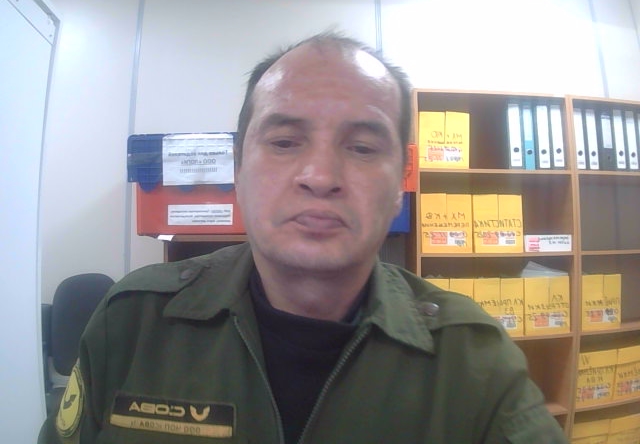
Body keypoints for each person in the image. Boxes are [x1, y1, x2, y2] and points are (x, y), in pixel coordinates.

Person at [39, 31, 568, 443]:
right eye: (285, 141)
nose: (320, 175)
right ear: (239, 169)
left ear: (400, 185)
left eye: (362, 148)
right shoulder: (132, 323)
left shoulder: (473, 361)